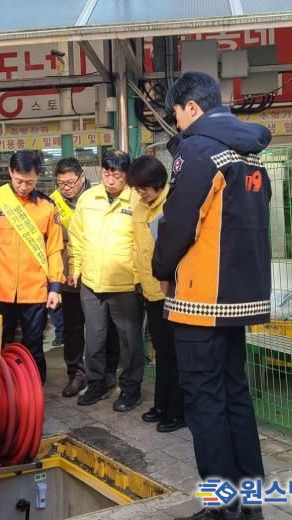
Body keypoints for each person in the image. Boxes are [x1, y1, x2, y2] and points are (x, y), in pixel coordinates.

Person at [153, 71, 271, 520]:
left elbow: (178, 224)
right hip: (240, 298)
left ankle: (222, 507)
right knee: (235, 396)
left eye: (177, 115)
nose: (177, 124)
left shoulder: (198, 150)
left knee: (205, 402)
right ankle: (250, 502)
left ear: (192, 107)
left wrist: (161, 269)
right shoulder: (250, 153)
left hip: (200, 299)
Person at [0, 150, 64, 383]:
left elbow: (54, 249)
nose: (24, 187)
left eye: (30, 182)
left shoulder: (47, 206)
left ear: (38, 177)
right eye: (19, 181)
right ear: (10, 172)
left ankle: (33, 390)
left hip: (35, 290)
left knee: (34, 345)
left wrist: (55, 287)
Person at [68, 150, 143, 412]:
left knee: (130, 340)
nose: (111, 180)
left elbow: (144, 243)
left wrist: (139, 277)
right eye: (107, 174)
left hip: (126, 284)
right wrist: (75, 267)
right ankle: (97, 383)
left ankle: (131, 388)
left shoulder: (137, 199)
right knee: (94, 337)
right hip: (91, 282)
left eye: (117, 176)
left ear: (127, 176)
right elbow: (76, 236)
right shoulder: (88, 198)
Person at [51, 157, 121, 397]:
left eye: (70, 182)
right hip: (69, 275)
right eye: (61, 183)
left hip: (99, 272)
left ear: (82, 177)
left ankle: (108, 371)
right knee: (73, 327)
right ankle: (76, 374)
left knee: (105, 326)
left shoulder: (100, 197)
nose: (66, 188)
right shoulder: (53, 202)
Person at [127, 156, 185, 433]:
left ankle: (178, 411)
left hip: (171, 292)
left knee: (175, 354)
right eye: (137, 189)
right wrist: (137, 281)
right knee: (161, 352)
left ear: (158, 183)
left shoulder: (174, 204)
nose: (140, 193)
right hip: (149, 291)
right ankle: (162, 405)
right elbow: (136, 248)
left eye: (144, 188)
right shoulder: (139, 207)